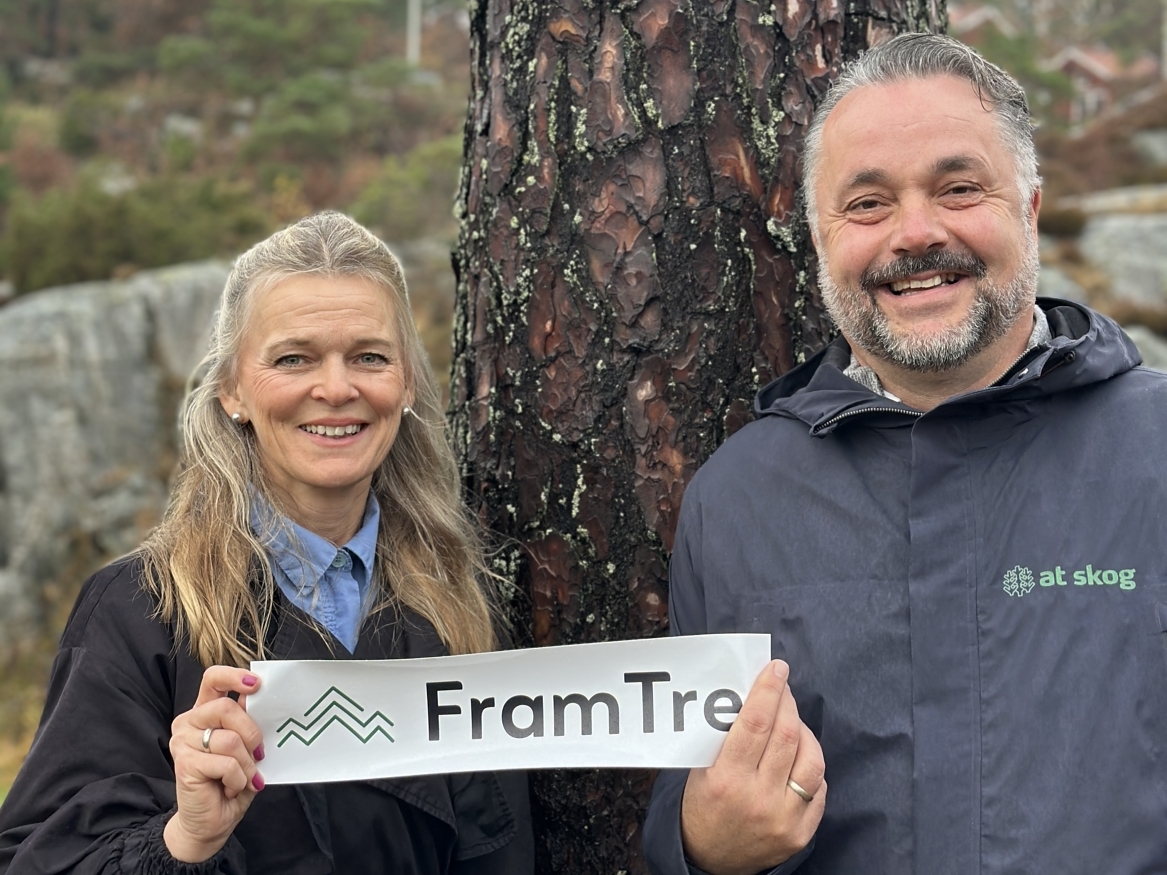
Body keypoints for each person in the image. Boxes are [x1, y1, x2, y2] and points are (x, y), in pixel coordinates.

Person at [643, 32, 1167, 875]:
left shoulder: (1157, 453)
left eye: (957, 188)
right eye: (867, 204)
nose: (914, 233)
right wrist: (701, 843)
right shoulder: (734, 499)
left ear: (1028, 208)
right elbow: (692, 809)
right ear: (819, 240)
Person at [0, 212, 534, 874]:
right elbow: (36, 858)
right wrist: (182, 839)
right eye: (293, 358)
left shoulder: (462, 598)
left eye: (369, 356)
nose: (337, 389)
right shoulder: (140, 610)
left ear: (405, 385)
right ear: (232, 390)